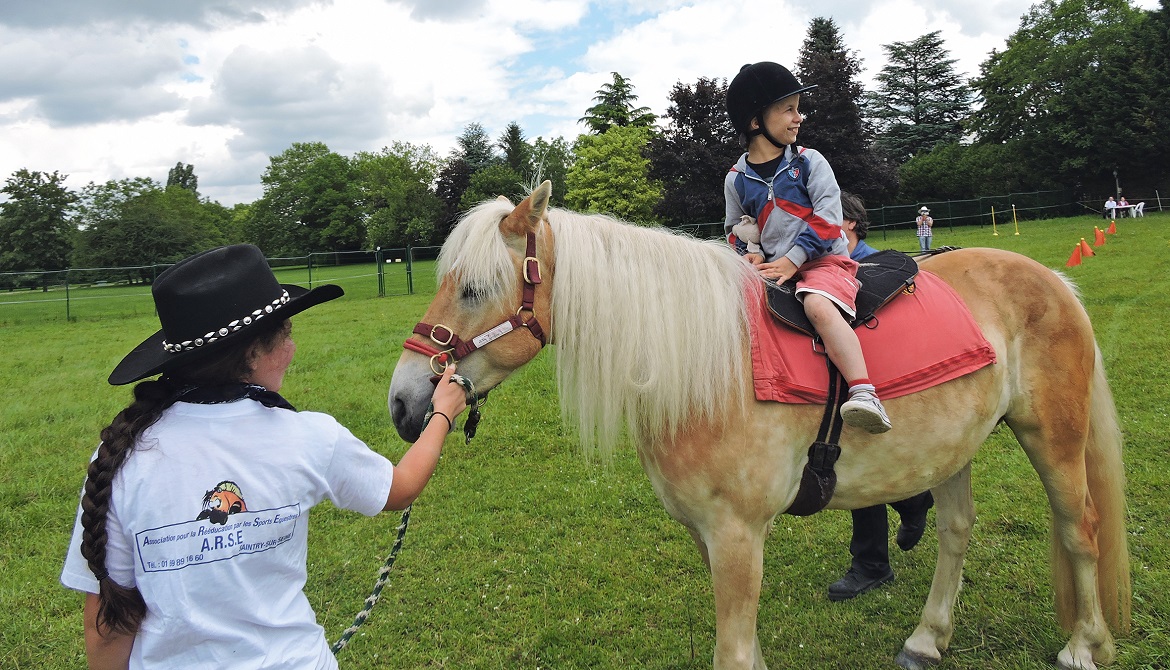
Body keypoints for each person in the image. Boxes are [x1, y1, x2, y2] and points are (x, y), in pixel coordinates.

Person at [60, 244, 468, 669]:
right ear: (253, 353)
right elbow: (400, 489)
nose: (292, 349)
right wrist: (441, 413)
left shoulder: (121, 456)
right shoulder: (306, 436)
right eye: (286, 335)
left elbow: (107, 628)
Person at [724, 61, 891, 433]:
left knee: (817, 304)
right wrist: (746, 253)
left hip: (824, 262)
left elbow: (828, 220)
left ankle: (864, 392)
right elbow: (734, 229)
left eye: (798, 108)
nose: (799, 117)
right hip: (770, 268)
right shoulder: (735, 179)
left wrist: (792, 260)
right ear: (755, 123)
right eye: (789, 109)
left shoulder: (809, 162)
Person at [829, 192, 935, 601]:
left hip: (882, 379)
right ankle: (914, 500)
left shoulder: (880, 267)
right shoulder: (823, 264)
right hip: (843, 379)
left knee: (862, 459)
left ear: (850, 224)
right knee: (859, 458)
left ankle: (871, 564)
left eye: (827, 218)